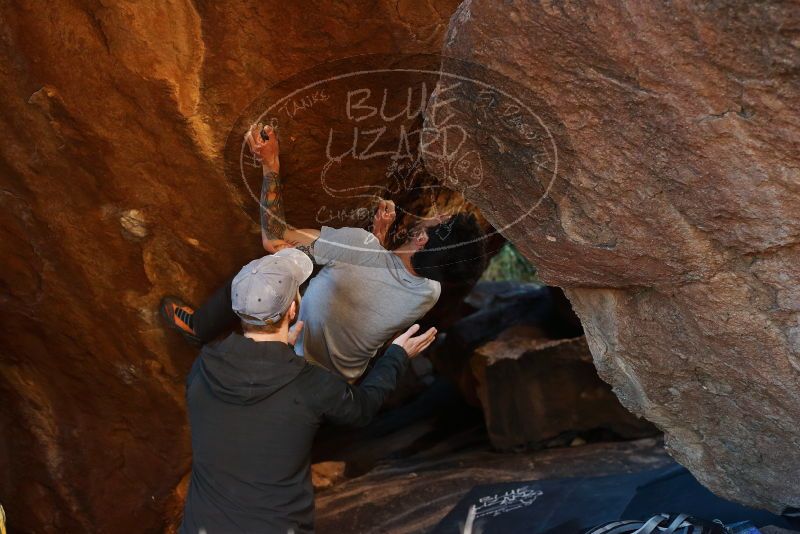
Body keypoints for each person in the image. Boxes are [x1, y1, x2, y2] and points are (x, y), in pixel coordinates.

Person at [162, 123, 485, 380]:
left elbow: (274, 238)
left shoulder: (358, 248)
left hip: (295, 355)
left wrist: (270, 165)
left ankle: (200, 327)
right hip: (337, 380)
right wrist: (379, 239)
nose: (435, 215)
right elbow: (380, 282)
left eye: (437, 220)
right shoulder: (431, 291)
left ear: (422, 240)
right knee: (328, 270)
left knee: (267, 271)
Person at [179, 249, 437, 533]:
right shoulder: (311, 384)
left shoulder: (203, 366)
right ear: (292, 309)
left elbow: (246, 414)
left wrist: (277, 354)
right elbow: (361, 409)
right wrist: (397, 355)